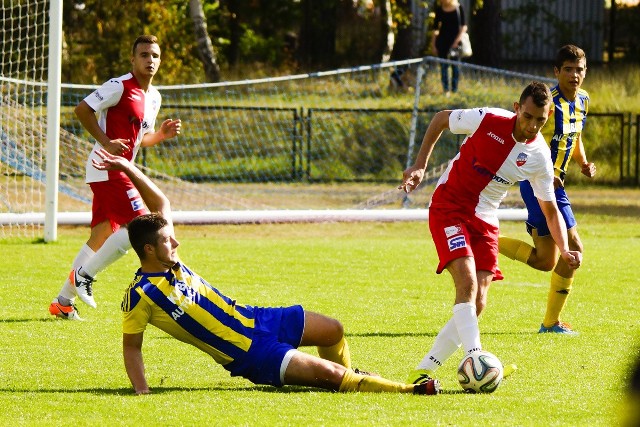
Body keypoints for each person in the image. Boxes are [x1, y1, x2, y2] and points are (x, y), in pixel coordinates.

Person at [90, 148, 441, 396]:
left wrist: (126, 167)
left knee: (333, 330)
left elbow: (161, 204)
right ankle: (410, 390)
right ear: (148, 249)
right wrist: (141, 390)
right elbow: (131, 346)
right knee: (332, 376)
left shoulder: (168, 257)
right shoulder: (140, 296)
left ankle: (358, 374)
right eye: (169, 240)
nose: (177, 243)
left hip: (258, 319)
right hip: (251, 356)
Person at [398, 81, 582, 385]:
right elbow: (442, 118)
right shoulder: (488, 119)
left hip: (485, 219)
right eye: (527, 117)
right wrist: (420, 164)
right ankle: (476, 357)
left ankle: (423, 370)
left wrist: (563, 249)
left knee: (479, 301)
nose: (532, 126)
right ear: (516, 109)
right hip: (449, 206)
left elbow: (551, 211)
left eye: (541, 120)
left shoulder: (538, 158)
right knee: (467, 282)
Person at [48, 35, 182, 320]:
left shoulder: (154, 97)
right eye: (144, 55)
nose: (150, 60)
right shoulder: (118, 86)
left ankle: (63, 301)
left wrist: (160, 136)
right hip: (106, 166)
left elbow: (140, 138)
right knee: (141, 226)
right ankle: (85, 275)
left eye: (155, 56)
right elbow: (82, 109)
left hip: (121, 168)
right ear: (132, 60)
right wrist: (106, 141)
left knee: (101, 235)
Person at [498, 45, 595, 335]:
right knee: (574, 248)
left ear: (585, 71)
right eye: (568, 69)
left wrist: (583, 162)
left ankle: (484, 239)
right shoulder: (547, 103)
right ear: (556, 72)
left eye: (579, 69)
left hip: (556, 183)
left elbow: (574, 137)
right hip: (538, 183)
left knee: (545, 260)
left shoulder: (584, 101)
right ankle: (551, 324)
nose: (574, 75)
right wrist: (540, 172)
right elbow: (525, 136)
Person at [430, 0, 468, 95]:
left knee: (455, 66)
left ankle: (454, 89)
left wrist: (456, 41)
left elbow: (463, 27)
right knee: (443, 66)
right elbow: (435, 29)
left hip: (456, 43)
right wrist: (433, 45)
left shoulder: (459, 8)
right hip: (442, 42)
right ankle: (446, 90)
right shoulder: (439, 10)